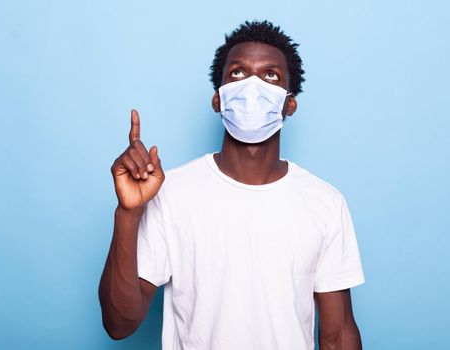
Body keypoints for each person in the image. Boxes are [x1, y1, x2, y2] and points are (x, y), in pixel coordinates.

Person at [99, 20, 365, 350]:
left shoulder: (324, 202)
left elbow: (338, 336)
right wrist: (128, 214)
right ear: (218, 99)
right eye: (238, 73)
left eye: (271, 76)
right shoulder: (171, 194)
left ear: (289, 105)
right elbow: (119, 324)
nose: (252, 86)